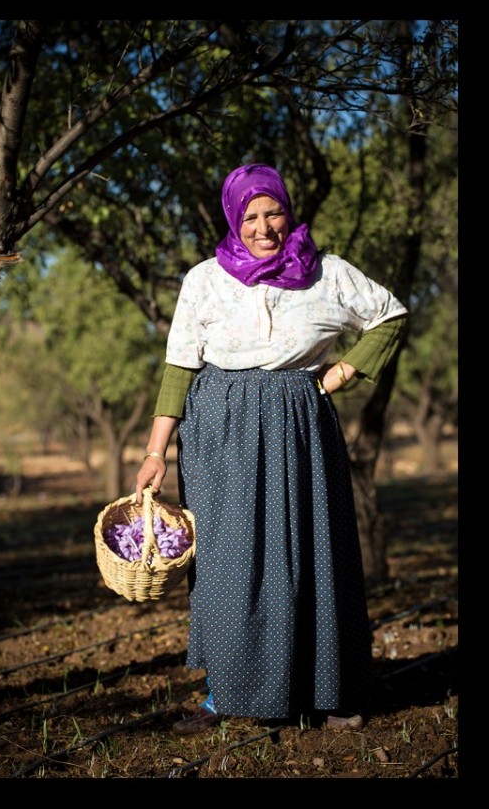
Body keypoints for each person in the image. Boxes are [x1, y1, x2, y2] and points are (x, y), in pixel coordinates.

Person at [135, 163, 408, 736]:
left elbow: (390, 315)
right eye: (250, 216)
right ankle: (225, 693)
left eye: (273, 212)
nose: (264, 227)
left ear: (289, 211)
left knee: (315, 548)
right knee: (227, 564)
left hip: (299, 422)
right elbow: (180, 365)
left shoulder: (328, 273)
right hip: (219, 431)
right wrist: (156, 452)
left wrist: (345, 371)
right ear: (234, 219)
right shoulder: (204, 279)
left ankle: (329, 689)